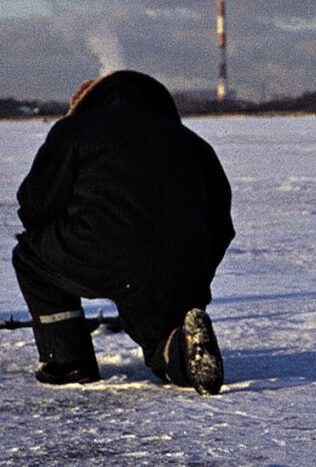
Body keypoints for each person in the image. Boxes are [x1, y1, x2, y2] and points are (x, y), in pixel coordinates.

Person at [12, 69, 234, 394]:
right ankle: (183, 353)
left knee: (30, 257)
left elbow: (34, 204)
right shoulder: (194, 144)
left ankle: (68, 360)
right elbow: (221, 225)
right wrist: (191, 277)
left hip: (103, 252)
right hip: (183, 264)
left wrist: (70, 230)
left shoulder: (75, 130)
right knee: (161, 335)